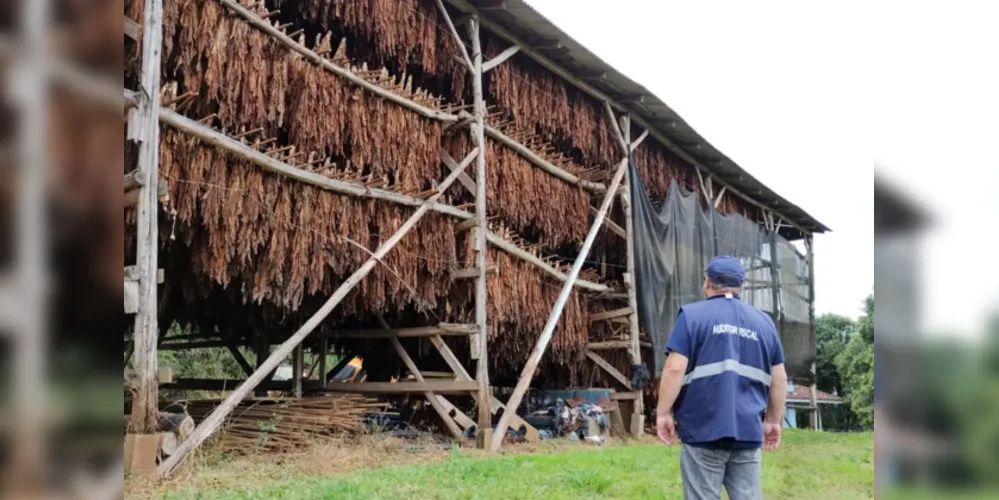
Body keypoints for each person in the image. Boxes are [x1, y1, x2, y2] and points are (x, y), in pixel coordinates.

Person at [656, 255, 788, 500]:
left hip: (703, 430)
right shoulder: (764, 323)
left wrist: (663, 413)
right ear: (741, 286)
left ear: (707, 282)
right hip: (748, 430)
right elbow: (779, 378)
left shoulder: (692, 316)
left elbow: (674, 368)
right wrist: (772, 420)